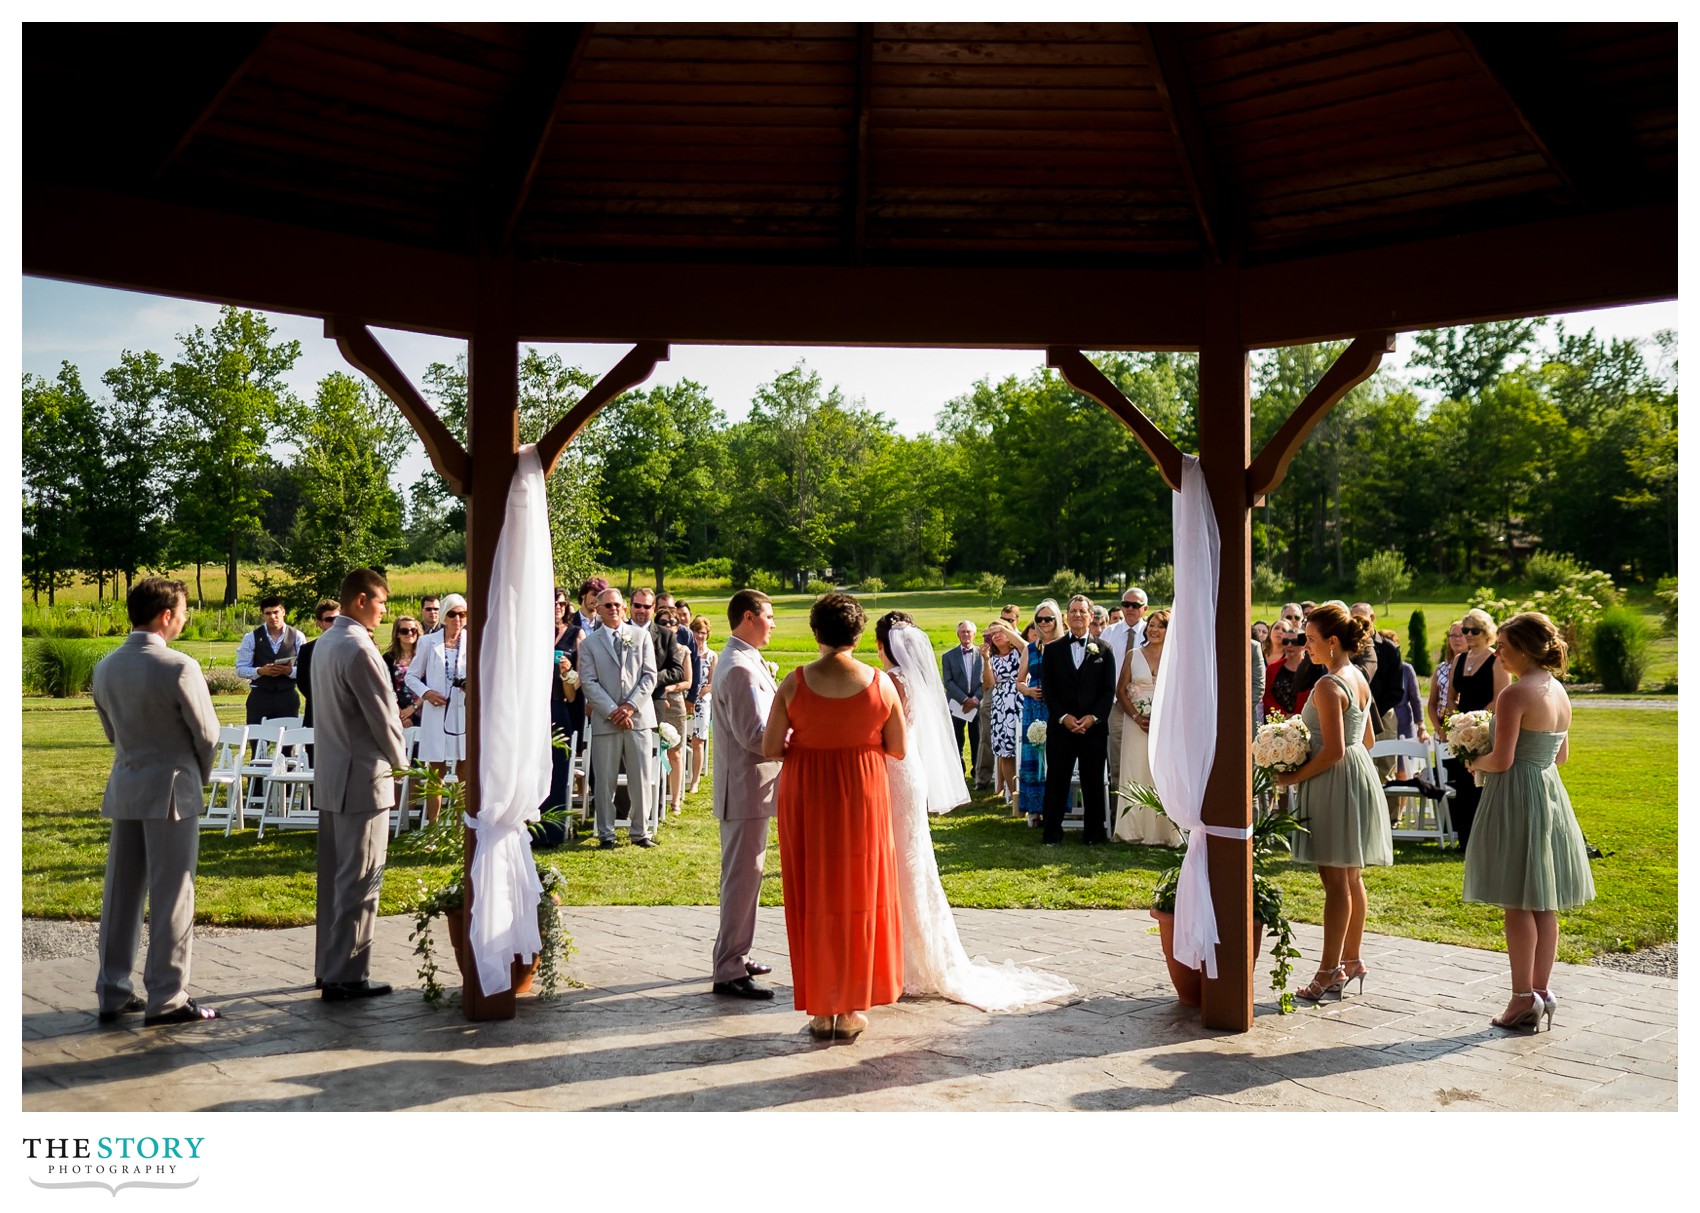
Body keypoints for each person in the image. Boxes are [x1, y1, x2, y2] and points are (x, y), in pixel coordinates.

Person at [874, 611, 1077, 1010]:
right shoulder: (911, 679)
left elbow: (885, 735)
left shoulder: (891, 682)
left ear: (885, 646)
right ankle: (916, 957)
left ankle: (905, 961)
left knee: (902, 861)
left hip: (894, 769)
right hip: (908, 771)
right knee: (913, 863)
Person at [764, 593, 906, 1040]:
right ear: (859, 634)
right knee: (860, 892)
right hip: (861, 792)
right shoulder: (880, 683)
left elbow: (770, 748)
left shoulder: (794, 682)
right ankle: (849, 1010)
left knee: (812, 893)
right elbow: (898, 747)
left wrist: (810, 745)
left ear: (815, 633)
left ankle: (821, 1009)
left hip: (806, 790)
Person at [91, 576, 223, 1026]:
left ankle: (112, 990)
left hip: (127, 782)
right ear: (166, 615)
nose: (185, 617)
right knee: (172, 893)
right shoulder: (179, 666)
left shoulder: (105, 666)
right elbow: (208, 735)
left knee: (121, 893)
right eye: (183, 610)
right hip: (172, 789)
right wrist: (197, 776)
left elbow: (112, 732)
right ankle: (166, 995)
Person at [1462, 612, 1594, 1032]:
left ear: (1522, 649)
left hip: (1517, 794)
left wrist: (1471, 759)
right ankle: (1541, 990)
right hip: (1549, 792)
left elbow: (1500, 760)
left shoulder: (1515, 695)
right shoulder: (1557, 690)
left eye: (1502, 646)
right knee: (1543, 899)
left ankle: (1522, 999)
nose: (1497, 654)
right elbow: (1562, 756)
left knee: (1517, 899)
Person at [1276, 603, 1394, 1002]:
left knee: (1335, 883)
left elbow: (1333, 753)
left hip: (1334, 781)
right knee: (1351, 877)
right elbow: (1368, 741)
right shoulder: (1357, 675)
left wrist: (1292, 775)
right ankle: (1353, 960)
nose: (1303, 646)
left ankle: (1328, 971)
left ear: (1332, 642)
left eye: (1309, 640)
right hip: (1359, 777)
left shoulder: (1328, 685)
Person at [312, 567, 408, 1001]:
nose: (384, 613)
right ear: (361, 601)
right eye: (382, 603)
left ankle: (326, 965)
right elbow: (383, 716)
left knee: (334, 877)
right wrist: (404, 765)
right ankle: (347, 973)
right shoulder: (360, 648)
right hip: (362, 776)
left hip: (332, 773)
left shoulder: (326, 642)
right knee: (360, 876)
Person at [710, 590, 780, 1000]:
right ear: (749, 617)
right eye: (769, 616)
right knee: (742, 878)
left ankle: (736, 953)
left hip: (749, 789)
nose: (773, 623)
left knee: (745, 878)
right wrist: (798, 738)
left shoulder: (744, 658)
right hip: (745, 790)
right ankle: (729, 970)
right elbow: (754, 736)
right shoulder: (738, 667)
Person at [579, 588, 660, 849]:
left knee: (641, 777)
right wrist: (614, 710)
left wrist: (630, 707)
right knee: (605, 780)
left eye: (617, 605)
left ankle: (640, 831)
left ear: (624, 608)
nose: (613, 609)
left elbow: (650, 676)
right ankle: (606, 833)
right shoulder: (589, 644)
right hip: (607, 719)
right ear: (598, 610)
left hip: (638, 718)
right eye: (608, 606)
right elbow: (588, 682)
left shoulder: (641, 636)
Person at [1039, 594, 1116, 846]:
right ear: (1067, 616)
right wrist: (1064, 717)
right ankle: (1051, 832)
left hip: (1092, 730)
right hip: (1062, 728)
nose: (1077, 615)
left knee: (1092, 780)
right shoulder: (1051, 650)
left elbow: (1108, 689)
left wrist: (1093, 718)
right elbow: (1048, 689)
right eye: (1073, 611)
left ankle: (1093, 834)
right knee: (1057, 781)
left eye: (1082, 611)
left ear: (1091, 616)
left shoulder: (1104, 649)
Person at [1439, 607, 1511, 850]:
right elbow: (1450, 695)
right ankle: (1464, 839)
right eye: (1465, 630)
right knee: (1462, 784)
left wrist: (1478, 724)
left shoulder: (1496, 661)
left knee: (1481, 784)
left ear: (1487, 632)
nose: (1468, 634)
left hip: (1487, 728)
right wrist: (1455, 722)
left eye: (1474, 630)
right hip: (1462, 731)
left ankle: (1485, 840)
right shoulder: (1459, 660)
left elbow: (1500, 698)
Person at [1112, 608, 1182, 845]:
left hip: (1165, 728)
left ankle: (1164, 832)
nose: (1153, 630)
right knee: (1135, 772)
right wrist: (1135, 716)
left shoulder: (1176, 657)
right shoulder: (1133, 654)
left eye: (1160, 626)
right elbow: (1121, 691)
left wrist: (1163, 720)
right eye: (1151, 625)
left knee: (1161, 774)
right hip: (1136, 725)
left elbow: (1180, 693)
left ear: (1168, 631)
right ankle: (1131, 830)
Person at [406, 591, 470, 824]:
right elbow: (411, 676)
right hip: (436, 711)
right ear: (444, 616)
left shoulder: (472, 642)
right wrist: (427, 693)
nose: (457, 619)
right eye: (452, 614)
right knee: (436, 771)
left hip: (462, 711)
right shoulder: (427, 641)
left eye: (462, 614)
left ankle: (461, 826)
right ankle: (433, 826)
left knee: (464, 770)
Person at [633, 590, 689, 815]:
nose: (641, 611)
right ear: (631, 606)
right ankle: (623, 808)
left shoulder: (665, 636)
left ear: (653, 608)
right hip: (620, 704)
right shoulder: (620, 632)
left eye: (647, 607)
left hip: (653, 703)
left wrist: (650, 679)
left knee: (652, 755)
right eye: (637, 606)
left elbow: (677, 671)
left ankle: (653, 809)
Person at [537, 586, 582, 847]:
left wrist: (566, 672)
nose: (557, 608)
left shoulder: (576, 634)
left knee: (558, 771)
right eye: (553, 603)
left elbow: (575, 688)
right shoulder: (534, 633)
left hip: (560, 705)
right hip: (534, 710)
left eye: (562, 604)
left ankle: (553, 831)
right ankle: (531, 828)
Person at [1015, 599, 1061, 826]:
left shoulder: (1064, 645)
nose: (1044, 623)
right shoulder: (1030, 649)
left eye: (1048, 619)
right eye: (1040, 619)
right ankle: (1034, 809)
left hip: (1058, 706)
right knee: (1034, 757)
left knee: (1055, 757)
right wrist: (1029, 690)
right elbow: (1019, 682)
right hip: (1034, 706)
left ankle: (1056, 807)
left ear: (1056, 620)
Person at [1350, 602, 1404, 777]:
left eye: (1361, 618)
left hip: (1383, 714)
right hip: (1356, 715)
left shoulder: (1389, 648)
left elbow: (1396, 690)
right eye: (1353, 619)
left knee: (1386, 770)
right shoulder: (1349, 649)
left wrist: (1373, 713)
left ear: (1372, 618)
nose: (1358, 624)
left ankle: (1390, 806)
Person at [1101, 587, 1147, 791]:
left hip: (1143, 705)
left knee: (1143, 759)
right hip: (1115, 705)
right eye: (1125, 604)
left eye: (1135, 605)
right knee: (1117, 759)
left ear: (1144, 608)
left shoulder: (1151, 632)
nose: (1129, 609)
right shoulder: (1109, 633)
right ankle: (1116, 813)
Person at [236, 593, 303, 724]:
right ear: (262, 615)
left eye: (276, 612)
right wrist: (260, 671)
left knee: (288, 740)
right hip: (260, 696)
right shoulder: (251, 637)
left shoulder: (297, 636)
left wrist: (289, 671)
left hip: (287, 696)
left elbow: (305, 669)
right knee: (256, 740)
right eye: (268, 613)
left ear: (283, 612)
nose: (273, 617)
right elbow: (240, 669)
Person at [982, 619, 1023, 803]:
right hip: (1001, 707)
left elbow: (1024, 644)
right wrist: (986, 659)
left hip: (1021, 701)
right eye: (993, 633)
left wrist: (1005, 628)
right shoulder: (992, 657)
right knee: (1006, 752)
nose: (997, 635)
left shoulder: (1020, 652)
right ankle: (1015, 797)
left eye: (1000, 632)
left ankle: (1029, 792)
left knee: (1024, 746)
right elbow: (989, 683)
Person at [941, 620, 984, 779]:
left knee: (977, 738)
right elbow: (948, 681)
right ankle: (958, 771)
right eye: (963, 632)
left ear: (974, 634)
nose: (966, 634)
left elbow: (985, 680)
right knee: (956, 739)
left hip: (977, 704)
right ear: (958, 634)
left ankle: (977, 771)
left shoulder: (983, 654)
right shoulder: (948, 656)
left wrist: (975, 699)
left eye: (969, 632)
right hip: (956, 704)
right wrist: (964, 699)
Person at [294, 599, 340, 731]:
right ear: (319, 623)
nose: (334, 623)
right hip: (316, 710)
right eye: (329, 620)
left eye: (338, 618)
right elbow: (303, 682)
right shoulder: (307, 650)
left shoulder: (353, 647)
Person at [686, 614, 717, 795]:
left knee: (698, 742)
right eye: (697, 632)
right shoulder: (686, 652)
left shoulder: (712, 656)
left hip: (702, 702)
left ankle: (695, 781)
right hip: (686, 699)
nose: (700, 636)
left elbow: (713, 683)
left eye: (703, 633)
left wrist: (703, 692)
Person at [1426, 620, 1466, 738]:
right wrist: (1439, 729)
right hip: (1444, 727)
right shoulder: (1441, 669)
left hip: (1468, 726)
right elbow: (1432, 704)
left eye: (1461, 635)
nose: (1457, 639)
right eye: (1453, 635)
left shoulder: (1474, 668)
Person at [1263, 619, 1310, 719]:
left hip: (1305, 721)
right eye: (1286, 641)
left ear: (1304, 645)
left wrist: (1296, 718)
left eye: (1294, 642)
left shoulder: (1312, 669)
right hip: (1277, 723)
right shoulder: (1272, 668)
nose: (1289, 645)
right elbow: (1267, 696)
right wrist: (1283, 716)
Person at [383, 614, 422, 730]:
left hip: (425, 711)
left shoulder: (425, 656)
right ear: (397, 634)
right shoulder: (389, 658)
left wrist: (413, 708)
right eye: (404, 631)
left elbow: (432, 684)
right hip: (398, 714)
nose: (409, 633)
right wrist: (401, 715)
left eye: (413, 630)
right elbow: (386, 688)